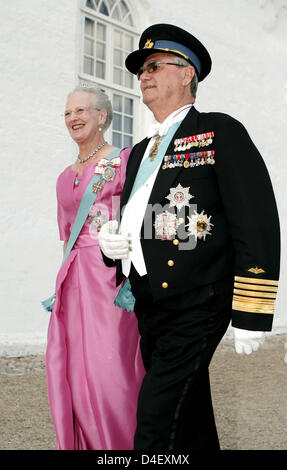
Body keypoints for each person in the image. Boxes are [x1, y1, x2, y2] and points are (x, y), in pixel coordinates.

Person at [98, 24, 281, 450]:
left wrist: (251, 310)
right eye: (140, 70)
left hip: (199, 299)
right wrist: (117, 243)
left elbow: (255, 221)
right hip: (150, 301)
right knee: (189, 414)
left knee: (155, 422)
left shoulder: (219, 131)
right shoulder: (142, 149)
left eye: (154, 66)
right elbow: (148, 216)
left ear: (186, 74)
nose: (143, 75)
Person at [45, 86, 145, 450]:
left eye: (82, 110)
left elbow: (143, 220)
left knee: (110, 370)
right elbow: (66, 236)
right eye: (68, 112)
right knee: (70, 370)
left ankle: (121, 446)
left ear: (102, 116)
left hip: (109, 279)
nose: (74, 118)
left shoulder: (124, 161)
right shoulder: (62, 177)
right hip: (72, 279)